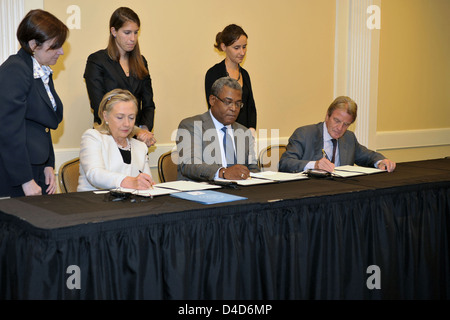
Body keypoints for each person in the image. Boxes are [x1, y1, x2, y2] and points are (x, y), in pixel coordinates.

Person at [0, 9, 68, 198]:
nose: (61, 52)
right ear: (33, 45)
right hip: (17, 174)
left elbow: (43, 124)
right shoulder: (16, 69)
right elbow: (9, 131)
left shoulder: (39, 70)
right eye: (55, 46)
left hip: (36, 167)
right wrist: (25, 180)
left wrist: (48, 164)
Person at [84, 7, 156, 147]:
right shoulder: (97, 61)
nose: (133, 39)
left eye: (136, 33)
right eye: (127, 33)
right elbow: (99, 106)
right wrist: (136, 130)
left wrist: (144, 130)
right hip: (108, 138)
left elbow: (148, 103)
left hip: (136, 140)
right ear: (114, 31)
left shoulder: (141, 61)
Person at [279, 96, 396, 173]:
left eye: (346, 124)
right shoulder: (304, 134)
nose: (340, 128)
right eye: (337, 121)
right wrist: (315, 165)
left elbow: (367, 156)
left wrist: (381, 161)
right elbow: (285, 163)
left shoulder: (349, 138)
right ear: (327, 116)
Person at [176, 77, 259, 181]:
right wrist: (222, 172)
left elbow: (253, 169)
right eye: (228, 102)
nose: (233, 108)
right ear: (212, 100)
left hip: (240, 192)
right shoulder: (191, 126)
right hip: (202, 191)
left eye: (238, 104)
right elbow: (189, 164)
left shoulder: (244, 132)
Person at [78, 89, 155, 191]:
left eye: (131, 118)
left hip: (131, 205)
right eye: (120, 117)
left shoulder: (140, 146)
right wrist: (128, 181)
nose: (127, 124)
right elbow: (95, 174)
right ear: (105, 116)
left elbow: (146, 182)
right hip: (95, 203)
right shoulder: (93, 137)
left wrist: (147, 184)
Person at [205, 24, 257, 133]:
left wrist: (251, 130)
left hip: (244, 135)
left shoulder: (245, 74)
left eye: (244, 47)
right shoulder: (213, 73)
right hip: (222, 134)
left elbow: (251, 107)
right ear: (224, 47)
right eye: (236, 48)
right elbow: (213, 109)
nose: (242, 52)